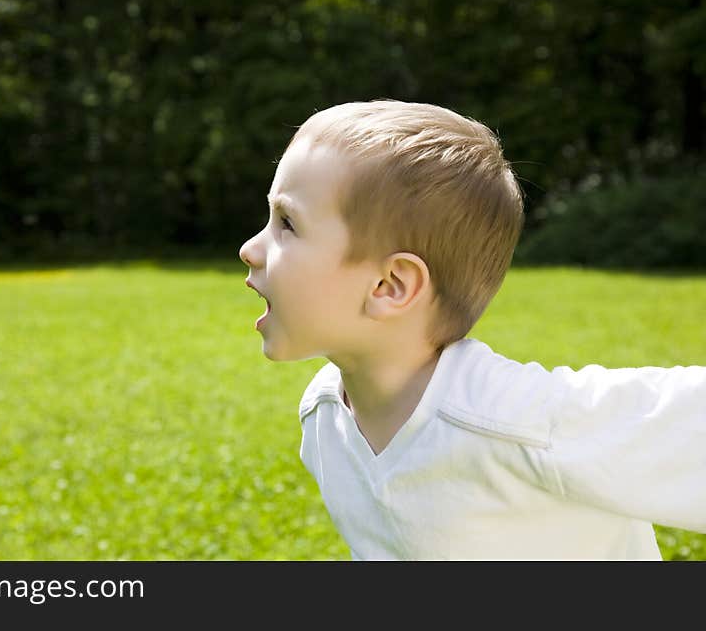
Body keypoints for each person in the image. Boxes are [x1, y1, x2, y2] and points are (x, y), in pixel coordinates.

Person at [238, 99, 706, 560]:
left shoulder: (518, 420)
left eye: (287, 224)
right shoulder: (324, 418)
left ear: (390, 285)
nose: (250, 249)